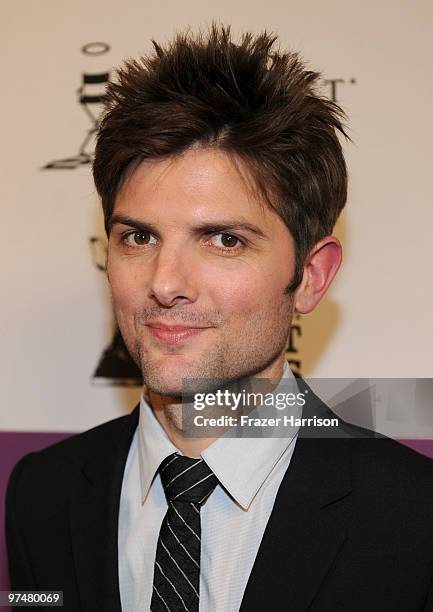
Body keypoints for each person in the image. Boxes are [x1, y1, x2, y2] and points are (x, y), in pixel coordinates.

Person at [6, 24, 433, 612]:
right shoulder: (41, 494)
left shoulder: (415, 519)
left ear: (310, 276)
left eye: (224, 240)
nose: (164, 283)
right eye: (138, 236)